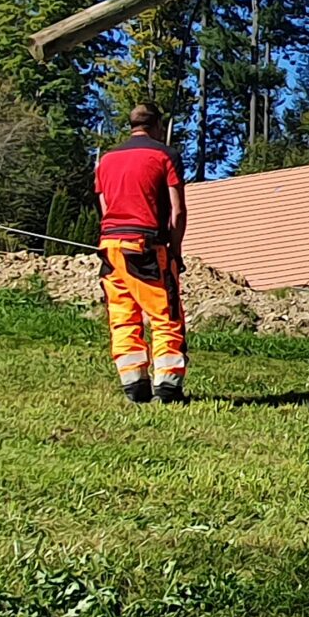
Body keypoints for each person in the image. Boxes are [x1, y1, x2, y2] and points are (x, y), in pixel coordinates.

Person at [94, 104, 188, 404]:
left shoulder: (106, 160)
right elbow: (177, 211)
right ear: (158, 126)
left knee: (123, 315)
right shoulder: (165, 155)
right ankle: (168, 387)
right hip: (146, 245)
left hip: (110, 246)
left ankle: (134, 383)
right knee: (165, 315)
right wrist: (175, 251)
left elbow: (105, 207)